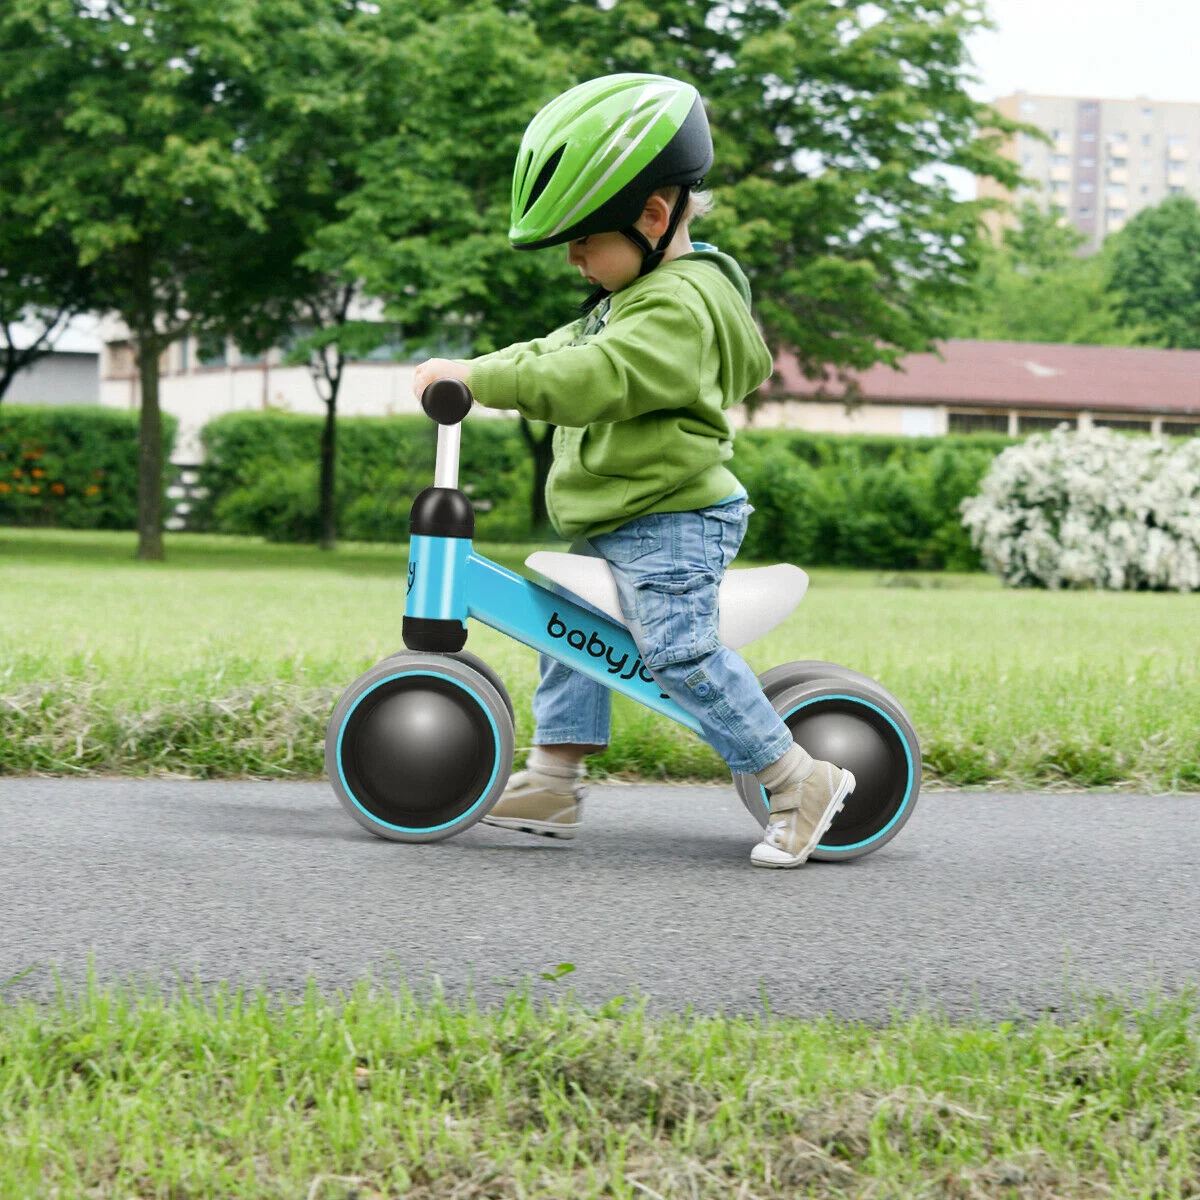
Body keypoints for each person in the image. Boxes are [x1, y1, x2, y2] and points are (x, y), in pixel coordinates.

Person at [411, 73, 855, 868]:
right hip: (632, 518)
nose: (577, 259)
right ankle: (555, 775)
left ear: (653, 218)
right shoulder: (637, 293)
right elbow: (558, 349)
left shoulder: (674, 309)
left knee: (678, 651)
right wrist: (474, 367)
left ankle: (797, 779)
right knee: (562, 624)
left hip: (675, 522)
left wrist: (487, 383)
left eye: (586, 238)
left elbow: (591, 378)